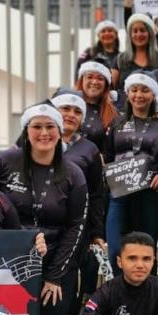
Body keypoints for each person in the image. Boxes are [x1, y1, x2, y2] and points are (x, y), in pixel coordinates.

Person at [0, 103, 88, 315]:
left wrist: (55, 276)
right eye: (37, 126)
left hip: (55, 261)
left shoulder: (73, 173)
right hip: (8, 261)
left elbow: (76, 227)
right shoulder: (4, 162)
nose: (44, 133)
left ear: (59, 130)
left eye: (50, 126)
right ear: (26, 131)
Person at [103, 73, 158, 266]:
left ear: (154, 95)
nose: (139, 95)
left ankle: (146, 293)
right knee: (115, 251)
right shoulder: (117, 122)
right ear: (127, 94)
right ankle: (120, 291)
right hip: (119, 193)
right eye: (134, 90)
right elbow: (108, 155)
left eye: (145, 90)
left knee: (147, 249)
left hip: (150, 193)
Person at [51, 91, 107, 304]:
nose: (71, 115)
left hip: (76, 227)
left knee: (68, 282)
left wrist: (97, 232)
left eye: (77, 112)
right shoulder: (39, 140)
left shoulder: (89, 148)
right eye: (65, 109)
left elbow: (96, 194)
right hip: (41, 226)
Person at [115, 13, 158, 91]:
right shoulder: (120, 59)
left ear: (150, 34)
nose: (139, 34)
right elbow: (111, 88)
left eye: (142, 30)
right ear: (130, 35)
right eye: (135, 31)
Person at [75, 60, 118, 151]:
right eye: (89, 77)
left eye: (100, 78)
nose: (94, 82)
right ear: (81, 81)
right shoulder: (67, 106)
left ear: (106, 85)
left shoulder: (114, 114)